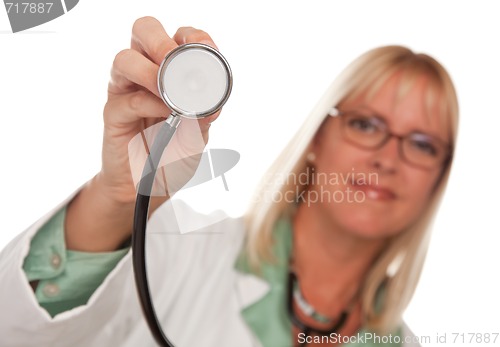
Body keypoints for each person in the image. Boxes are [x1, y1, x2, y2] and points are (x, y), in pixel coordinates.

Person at [0, 16, 458, 347]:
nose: (388, 157)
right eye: (366, 125)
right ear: (319, 137)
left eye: (422, 144)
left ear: (438, 177)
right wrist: (120, 198)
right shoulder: (172, 253)